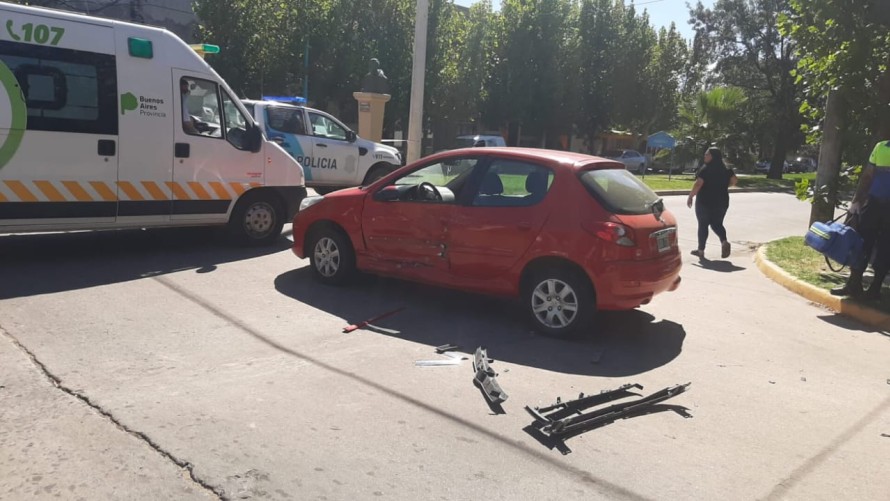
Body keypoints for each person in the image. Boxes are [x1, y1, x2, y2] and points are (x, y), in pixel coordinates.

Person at [830, 138, 890, 300]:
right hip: (874, 205)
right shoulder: (881, 147)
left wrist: (856, 201)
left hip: (874, 204)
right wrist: (857, 201)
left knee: (867, 245)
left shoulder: (882, 147)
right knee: (878, 247)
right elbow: (867, 177)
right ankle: (866, 287)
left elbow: (868, 176)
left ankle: (860, 286)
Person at [686, 147, 738, 259]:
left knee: (703, 225)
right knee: (717, 223)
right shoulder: (727, 169)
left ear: (712, 156)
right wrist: (724, 185)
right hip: (722, 201)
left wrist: (691, 196)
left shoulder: (705, 169)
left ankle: (700, 251)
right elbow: (734, 181)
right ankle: (724, 241)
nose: (705, 156)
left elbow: (698, 184)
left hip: (705, 201)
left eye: (706, 154)